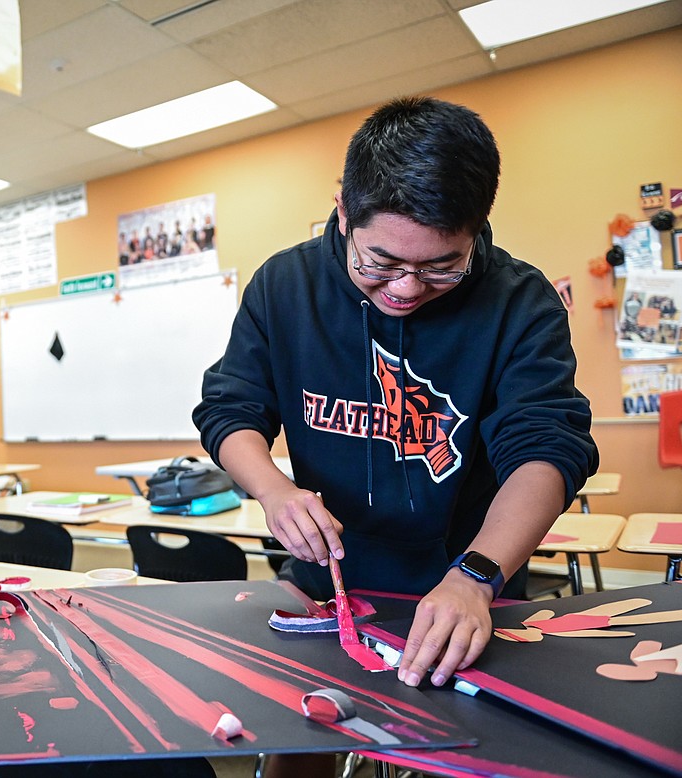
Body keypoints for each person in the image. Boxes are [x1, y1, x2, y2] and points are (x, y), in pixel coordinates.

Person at [193, 96, 597, 776]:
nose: (407, 289)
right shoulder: (284, 286)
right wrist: (274, 490)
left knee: (473, 756)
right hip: (330, 583)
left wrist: (476, 576)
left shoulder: (517, 301)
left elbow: (547, 446)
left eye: (442, 266)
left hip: (470, 576)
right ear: (343, 211)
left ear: (476, 230)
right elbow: (231, 409)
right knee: (303, 754)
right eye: (380, 262)